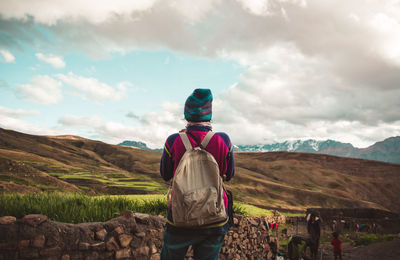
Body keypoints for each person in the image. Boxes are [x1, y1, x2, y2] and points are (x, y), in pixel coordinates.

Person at [160, 89, 235, 260]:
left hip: (179, 216)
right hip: (214, 217)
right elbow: (229, 174)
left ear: (187, 115)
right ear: (209, 114)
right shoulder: (223, 140)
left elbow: (165, 174)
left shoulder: (173, 141)